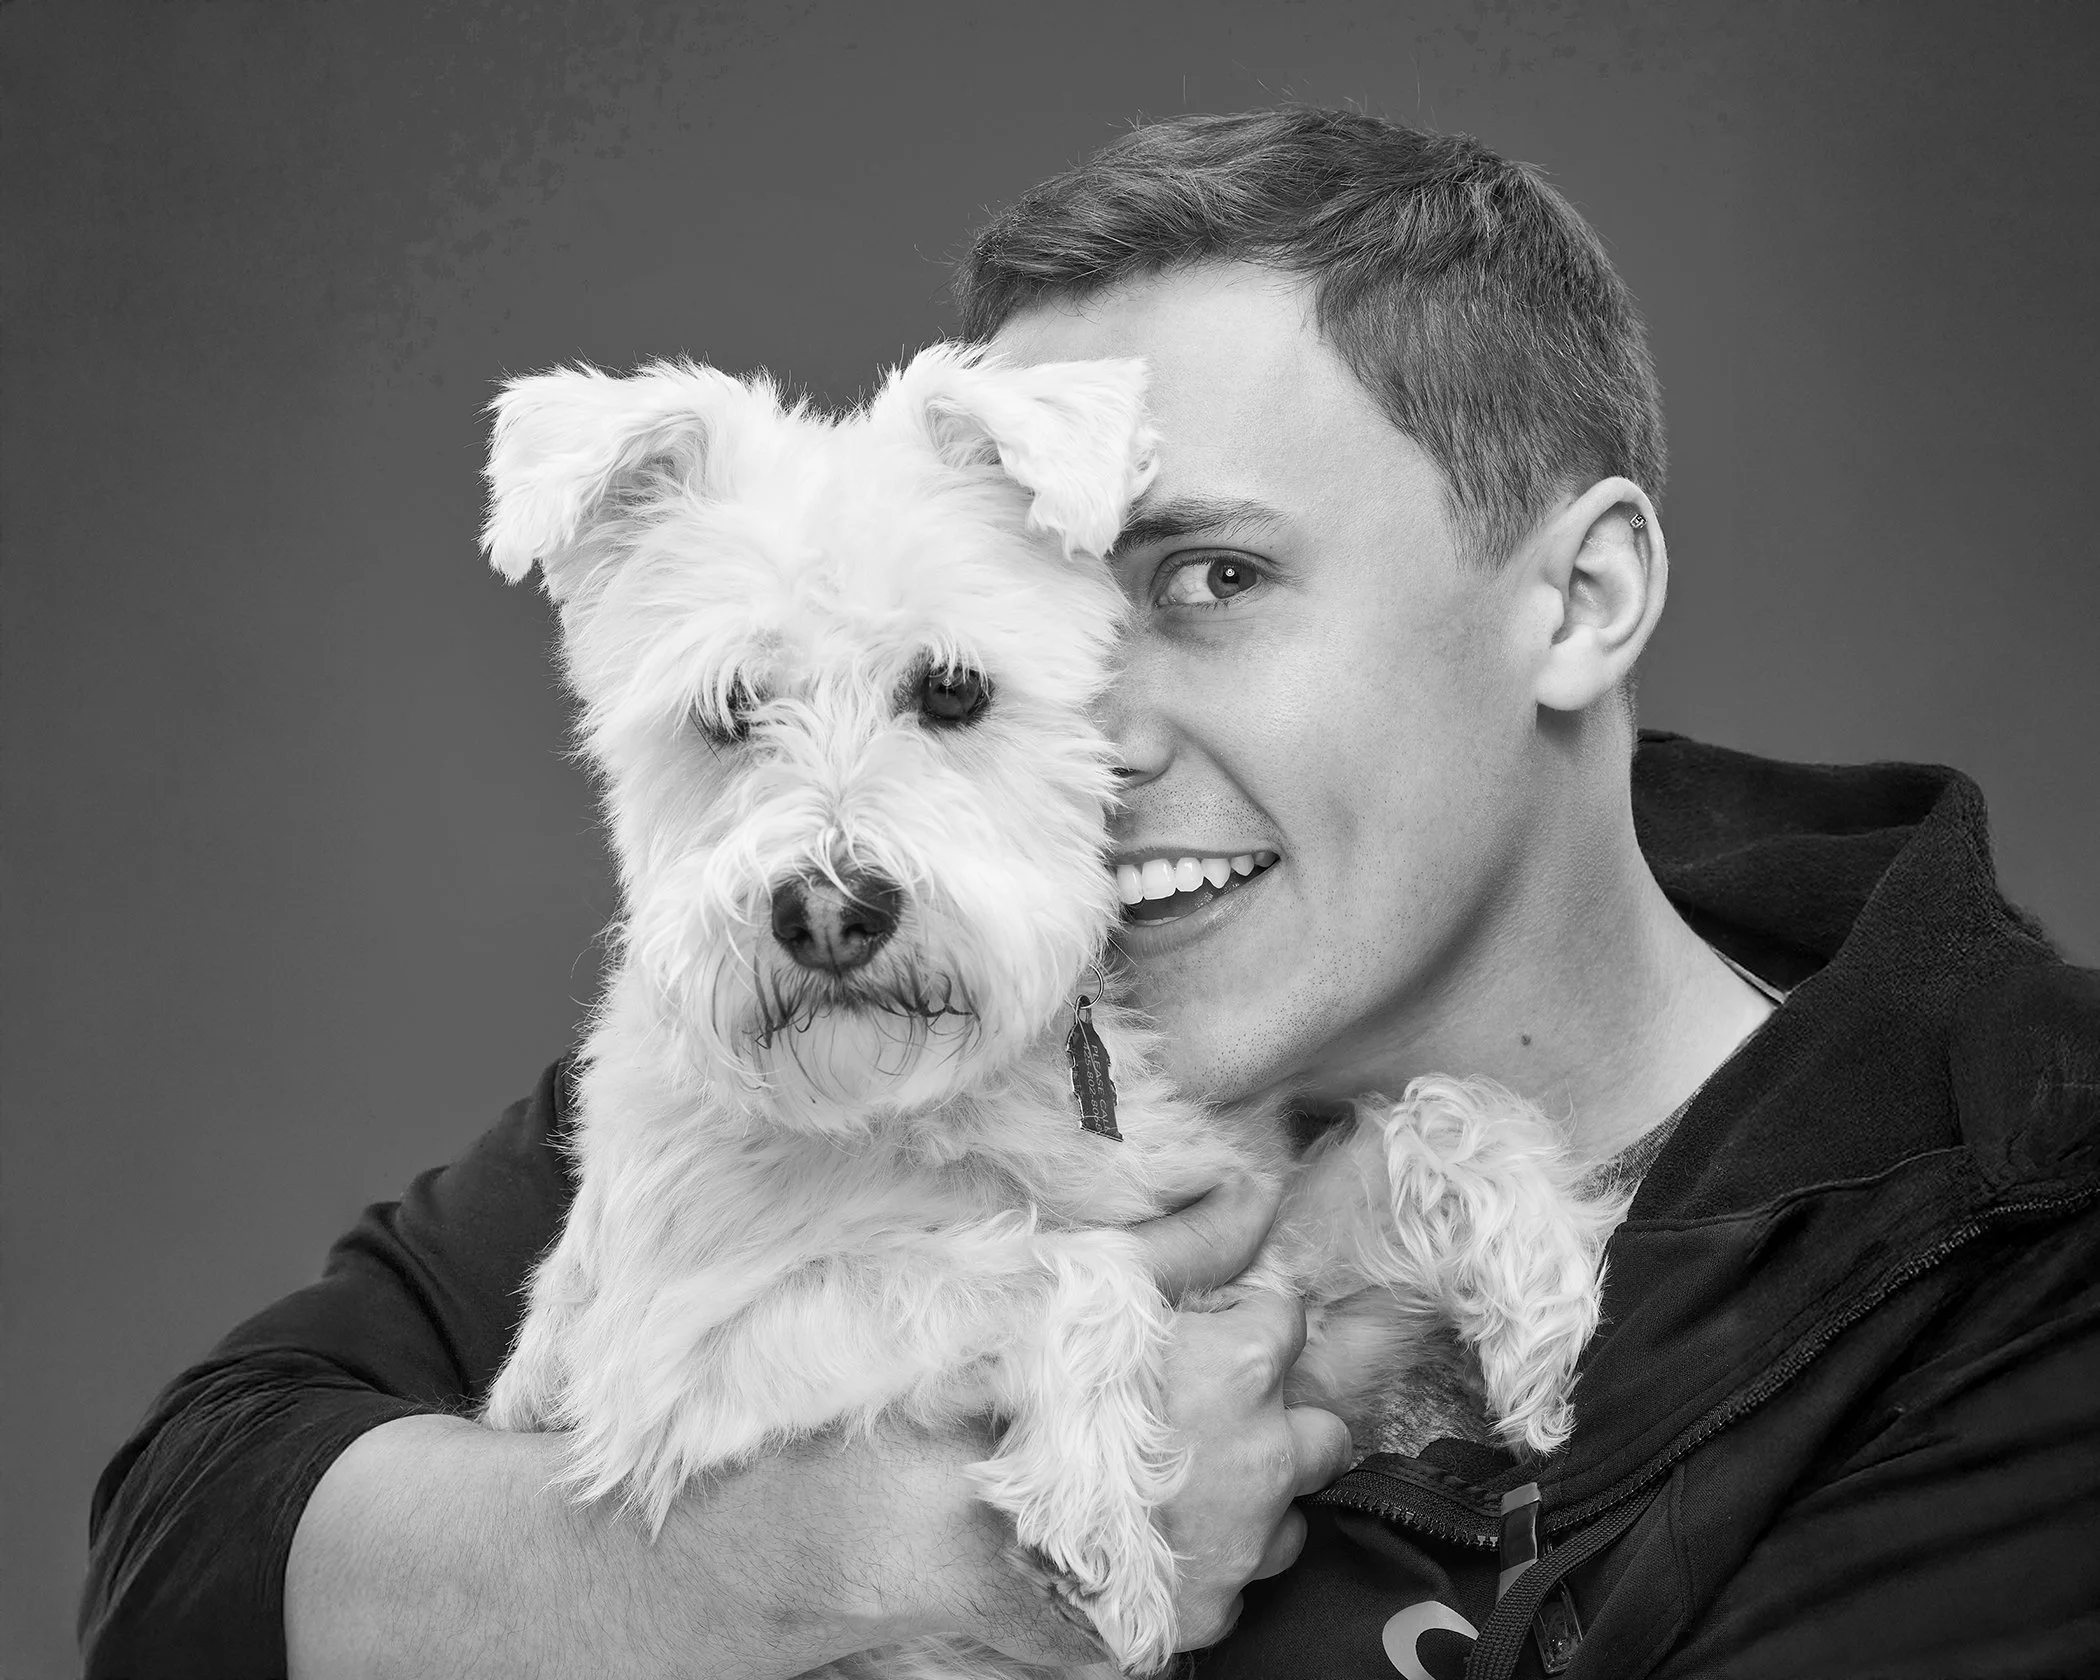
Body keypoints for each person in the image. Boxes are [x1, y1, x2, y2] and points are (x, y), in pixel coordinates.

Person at [82, 110, 2100, 1680]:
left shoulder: (2023, 1270)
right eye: (1039, 634)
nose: (1090, 728)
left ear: (1578, 601)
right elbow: (186, 1564)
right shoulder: (880, 1041)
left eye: (1212, 581)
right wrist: (843, 1560)